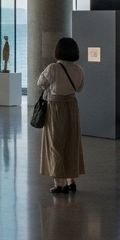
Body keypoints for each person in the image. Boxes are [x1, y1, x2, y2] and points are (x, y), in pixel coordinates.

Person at [37, 37, 85, 194]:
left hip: (55, 107)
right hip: (72, 106)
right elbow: (79, 88)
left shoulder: (52, 68)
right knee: (72, 142)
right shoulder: (78, 69)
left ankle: (60, 184)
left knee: (56, 144)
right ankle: (72, 180)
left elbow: (40, 83)